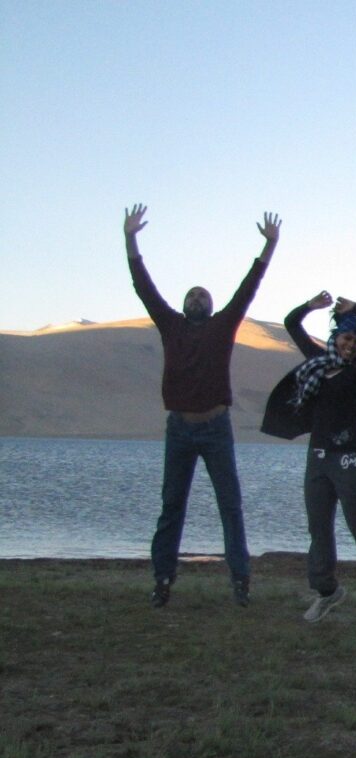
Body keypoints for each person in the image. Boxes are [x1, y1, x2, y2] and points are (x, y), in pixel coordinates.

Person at [123, 203, 279, 609]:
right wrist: (130, 238)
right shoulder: (170, 325)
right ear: (183, 304)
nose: (197, 298)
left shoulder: (223, 325)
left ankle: (241, 580)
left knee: (230, 505)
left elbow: (249, 288)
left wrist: (269, 246)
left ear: (210, 306)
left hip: (215, 428)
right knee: (172, 506)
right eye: (191, 294)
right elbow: (143, 286)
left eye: (203, 295)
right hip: (179, 429)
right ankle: (162, 581)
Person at [262, 292, 356, 624]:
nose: (351, 345)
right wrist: (310, 306)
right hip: (318, 457)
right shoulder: (317, 361)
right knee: (319, 528)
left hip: (350, 458)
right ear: (336, 337)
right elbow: (291, 323)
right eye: (346, 337)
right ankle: (327, 591)